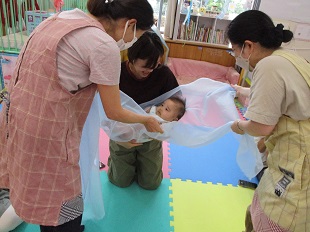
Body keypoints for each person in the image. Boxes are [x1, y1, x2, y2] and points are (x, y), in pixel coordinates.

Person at [0, 0, 164, 231]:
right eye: (139, 34)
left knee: (35, 189)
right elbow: (113, 110)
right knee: (64, 201)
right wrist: (146, 119)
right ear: (131, 24)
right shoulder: (102, 45)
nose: (133, 40)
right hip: (48, 132)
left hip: (15, 119)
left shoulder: (60, 19)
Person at [228, 10, 310, 232]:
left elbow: (261, 126)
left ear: (248, 46)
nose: (235, 56)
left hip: (297, 158)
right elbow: (276, 95)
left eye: (234, 50)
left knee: (276, 216)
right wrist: (241, 90)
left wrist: (239, 126)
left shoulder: (267, 66)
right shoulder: (288, 57)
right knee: (258, 206)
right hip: (294, 150)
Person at [108, 31, 179, 190]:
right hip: (122, 132)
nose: (150, 71)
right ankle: (115, 158)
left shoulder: (163, 73)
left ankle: (142, 164)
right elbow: (105, 110)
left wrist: (166, 124)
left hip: (150, 133)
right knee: (120, 181)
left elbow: (178, 103)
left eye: (154, 66)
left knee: (151, 184)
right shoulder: (116, 73)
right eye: (145, 67)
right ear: (131, 58)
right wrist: (117, 138)